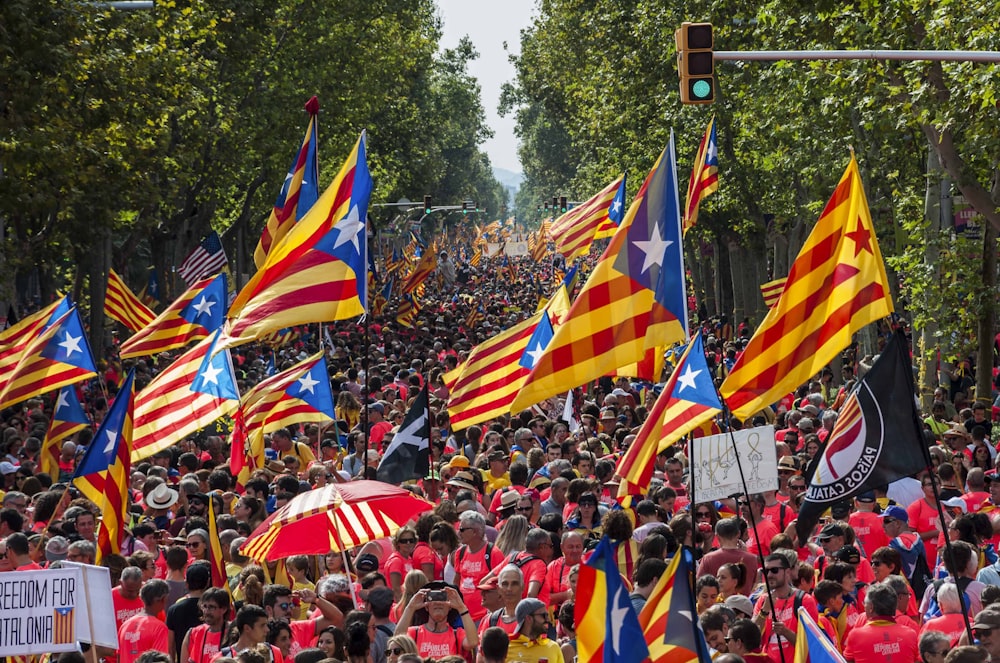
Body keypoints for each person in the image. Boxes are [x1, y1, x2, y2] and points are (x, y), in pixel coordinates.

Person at [752, 551, 819, 662]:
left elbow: (811, 643)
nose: (769, 575)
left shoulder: (804, 600)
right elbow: (752, 636)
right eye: (766, 571)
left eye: (774, 570)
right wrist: (764, 611)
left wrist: (785, 632)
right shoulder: (763, 600)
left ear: (787, 572)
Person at [393, 584, 478, 658]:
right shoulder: (414, 633)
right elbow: (397, 641)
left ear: (450, 606)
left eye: (442, 597)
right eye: (433, 597)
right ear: (426, 606)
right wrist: (410, 607)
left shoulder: (457, 634)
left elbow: (473, 642)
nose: (438, 602)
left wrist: (461, 607)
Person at [450, 511, 506, 622]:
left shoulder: (493, 553)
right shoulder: (460, 553)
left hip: (485, 617)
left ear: (475, 531)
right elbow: (456, 581)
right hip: (463, 615)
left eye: (462, 529)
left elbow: (501, 585)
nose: (459, 533)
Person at [842, 583, 919, 663]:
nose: (864, 606)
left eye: (864, 603)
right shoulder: (910, 634)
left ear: (871, 607)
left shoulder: (856, 636)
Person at [698, 517, 759, 596]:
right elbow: (755, 587)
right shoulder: (752, 559)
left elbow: (699, 586)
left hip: (716, 606)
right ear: (738, 534)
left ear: (717, 536)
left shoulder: (708, 558)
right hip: (743, 605)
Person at [118, 579, 171, 663]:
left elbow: (119, 657)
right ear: (163, 599)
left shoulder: (125, 625)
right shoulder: (159, 628)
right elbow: (160, 660)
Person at [180, 588, 232, 663]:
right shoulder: (193, 633)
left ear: (223, 609)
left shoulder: (233, 633)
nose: (206, 611)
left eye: (211, 607)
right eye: (204, 606)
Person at [505, 598, 564, 663]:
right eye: (543, 615)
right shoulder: (506, 648)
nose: (547, 620)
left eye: (547, 615)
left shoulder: (553, 647)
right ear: (529, 618)